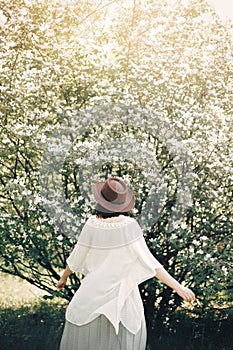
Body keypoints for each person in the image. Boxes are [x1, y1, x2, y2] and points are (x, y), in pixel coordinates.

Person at [57, 177, 195, 350]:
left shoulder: (91, 225)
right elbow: (151, 263)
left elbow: (76, 257)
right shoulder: (129, 226)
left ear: (100, 201)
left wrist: (63, 278)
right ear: (122, 204)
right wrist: (179, 288)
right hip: (123, 302)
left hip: (90, 298)